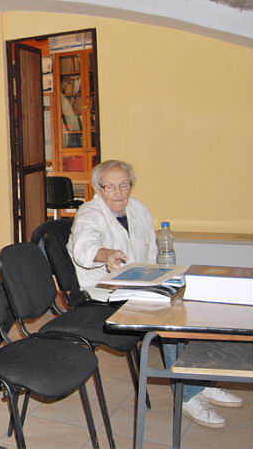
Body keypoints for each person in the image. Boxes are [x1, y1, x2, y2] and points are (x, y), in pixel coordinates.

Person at [67, 160, 241, 428]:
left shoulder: (138, 208)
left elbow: (150, 252)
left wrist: (159, 278)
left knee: (189, 303)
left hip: (139, 284)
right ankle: (187, 395)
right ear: (98, 189)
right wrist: (107, 254)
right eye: (110, 187)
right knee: (169, 317)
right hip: (104, 292)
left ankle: (200, 381)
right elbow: (84, 247)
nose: (118, 193)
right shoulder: (89, 214)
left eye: (124, 185)